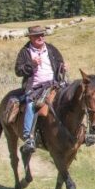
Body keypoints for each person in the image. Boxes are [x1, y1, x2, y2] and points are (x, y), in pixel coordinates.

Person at [15, 25, 67, 155]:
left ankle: (76, 132)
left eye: (42, 35)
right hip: (35, 86)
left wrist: (63, 67)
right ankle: (28, 137)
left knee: (70, 97)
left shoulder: (51, 49)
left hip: (54, 83)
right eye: (37, 36)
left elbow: (60, 63)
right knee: (31, 103)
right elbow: (18, 71)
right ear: (31, 37)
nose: (40, 37)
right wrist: (31, 65)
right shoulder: (25, 52)